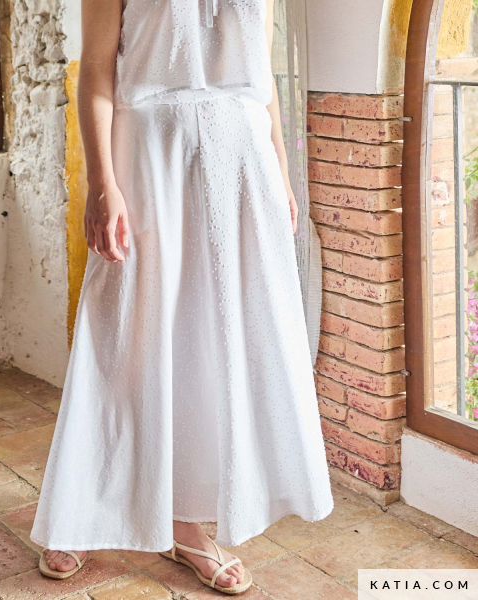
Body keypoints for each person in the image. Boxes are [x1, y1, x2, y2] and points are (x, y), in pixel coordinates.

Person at [30, 0, 334, 594]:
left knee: (211, 341)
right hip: (148, 156)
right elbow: (97, 72)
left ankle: (182, 523)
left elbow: (261, 70)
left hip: (241, 162)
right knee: (122, 336)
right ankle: (79, 509)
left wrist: (279, 168)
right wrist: (101, 183)